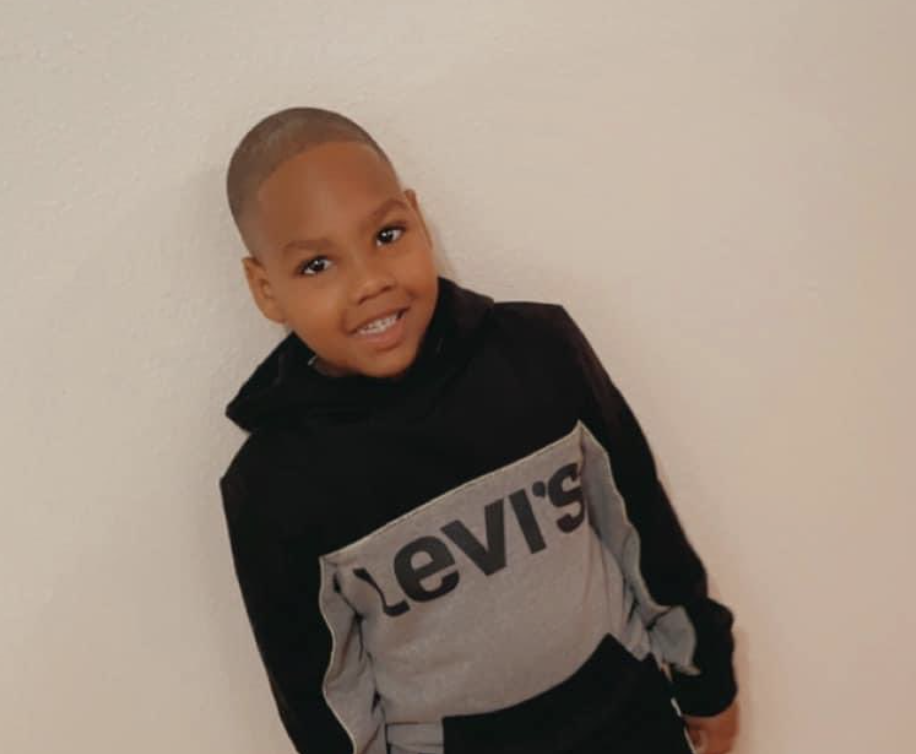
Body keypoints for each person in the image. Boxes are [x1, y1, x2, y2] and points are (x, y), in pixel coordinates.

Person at [218, 106, 740, 754]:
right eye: (317, 266)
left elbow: (640, 519)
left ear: (417, 218)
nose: (371, 281)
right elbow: (318, 691)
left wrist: (704, 673)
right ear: (265, 288)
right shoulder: (273, 485)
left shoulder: (542, 352)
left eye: (386, 235)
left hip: (630, 723)